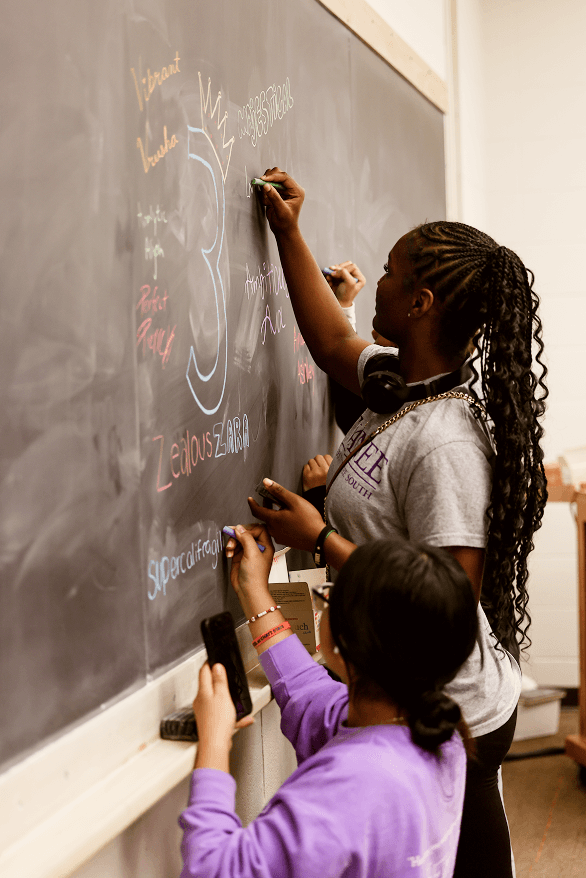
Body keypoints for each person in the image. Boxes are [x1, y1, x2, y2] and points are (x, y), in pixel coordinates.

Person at [246, 169, 548, 877]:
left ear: (420, 301)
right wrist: (288, 230)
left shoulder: (446, 445)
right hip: (422, 693)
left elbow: (446, 599)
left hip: (457, 712)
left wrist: (319, 539)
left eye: (388, 272)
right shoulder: (396, 386)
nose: (374, 282)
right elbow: (328, 341)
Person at [180, 525, 478, 878]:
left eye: (330, 595)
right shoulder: (436, 732)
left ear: (343, 642)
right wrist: (253, 590)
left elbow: (214, 870)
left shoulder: (354, 784)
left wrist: (214, 742)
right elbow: (307, 692)